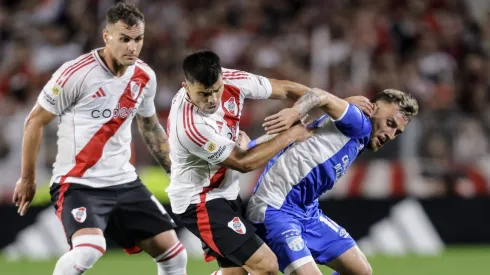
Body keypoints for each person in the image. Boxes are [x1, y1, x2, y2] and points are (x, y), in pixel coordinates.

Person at [12, 3, 187, 275]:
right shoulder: (76, 74)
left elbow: (150, 127)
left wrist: (175, 172)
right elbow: (34, 121)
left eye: (138, 39)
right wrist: (28, 178)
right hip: (78, 182)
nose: (132, 47)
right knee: (88, 250)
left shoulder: (144, 76)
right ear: (106, 36)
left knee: (174, 254)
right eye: (124, 39)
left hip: (124, 181)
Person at [166, 50, 374, 275]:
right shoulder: (190, 127)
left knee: (236, 273)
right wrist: (290, 135)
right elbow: (243, 163)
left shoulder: (232, 80)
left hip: (226, 193)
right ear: (186, 87)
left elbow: (286, 88)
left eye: (216, 90)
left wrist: (334, 104)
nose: (212, 100)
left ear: (221, 79)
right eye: (203, 94)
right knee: (266, 265)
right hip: (200, 201)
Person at [245, 88, 419, 275]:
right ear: (373, 108)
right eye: (390, 123)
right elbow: (320, 95)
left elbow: (328, 108)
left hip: (307, 213)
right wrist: (294, 112)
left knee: (361, 271)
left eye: (397, 132)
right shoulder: (359, 122)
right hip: (275, 208)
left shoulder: (358, 132)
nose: (390, 135)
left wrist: (342, 100)